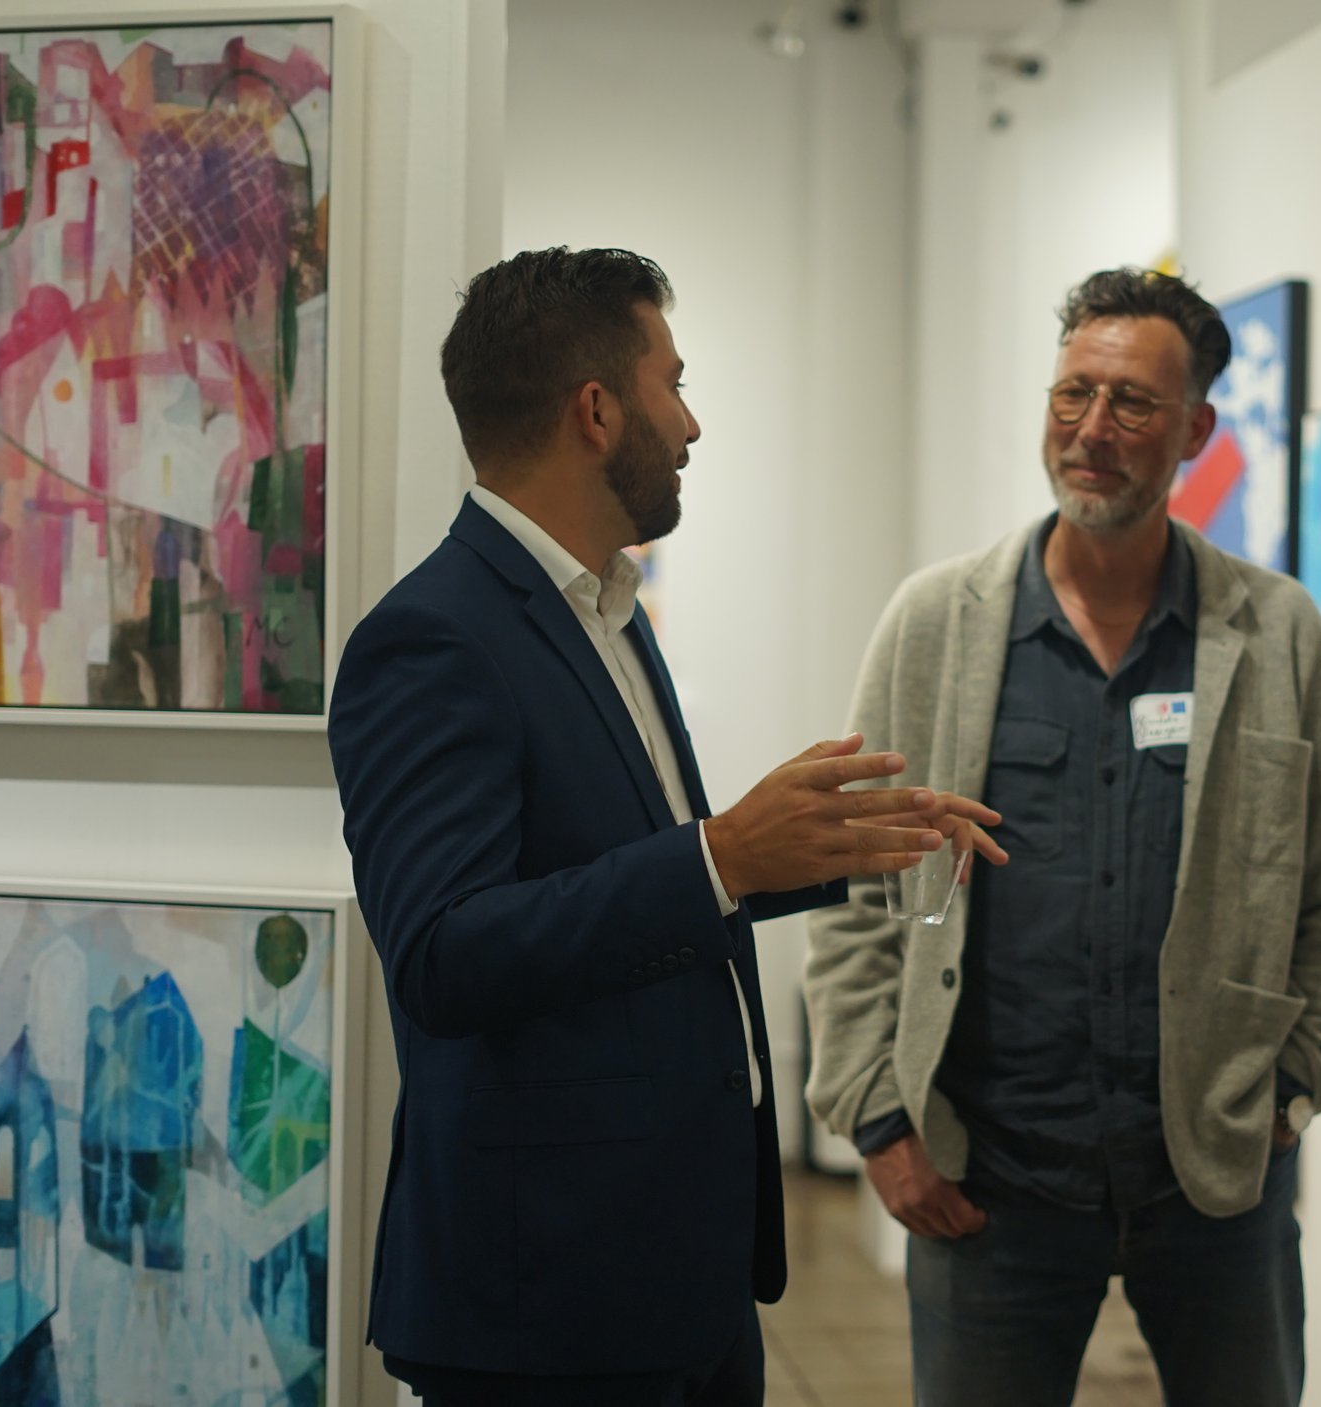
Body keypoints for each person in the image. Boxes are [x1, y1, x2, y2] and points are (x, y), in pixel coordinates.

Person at [328, 247, 991, 1407]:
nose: (689, 425)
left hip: (673, 1271)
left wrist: (835, 842)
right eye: (671, 383)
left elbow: (641, 876)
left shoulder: (610, 611)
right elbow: (442, 953)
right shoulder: (431, 638)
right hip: (549, 1297)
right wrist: (722, 854)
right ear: (595, 412)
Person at [804, 267, 1321, 1407]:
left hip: (1214, 1178)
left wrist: (1294, 1087)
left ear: (1195, 431)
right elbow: (852, 881)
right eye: (1073, 393)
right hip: (992, 1179)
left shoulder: (1271, 632)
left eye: (1131, 404)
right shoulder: (938, 623)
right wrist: (877, 1117)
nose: (1092, 431)